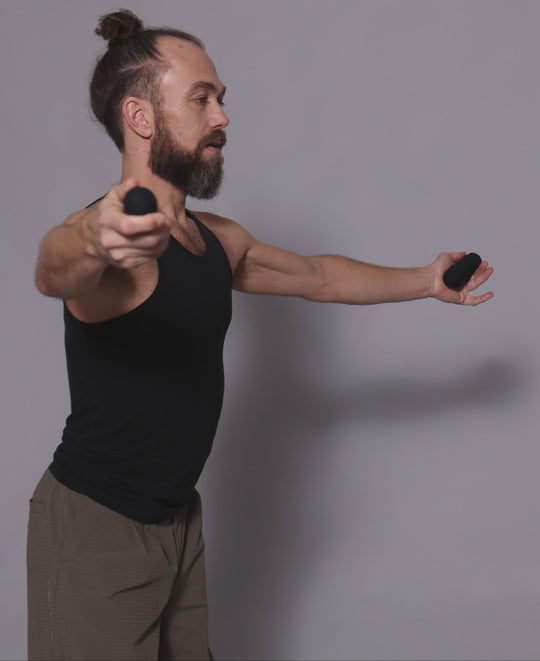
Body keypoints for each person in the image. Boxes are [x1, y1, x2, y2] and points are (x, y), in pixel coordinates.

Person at [28, 9, 494, 661]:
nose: (222, 116)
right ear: (140, 116)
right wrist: (93, 235)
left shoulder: (216, 240)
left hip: (178, 520)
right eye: (201, 99)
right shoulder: (110, 246)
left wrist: (426, 279)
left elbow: (318, 277)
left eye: (221, 98)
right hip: (97, 526)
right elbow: (55, 270)